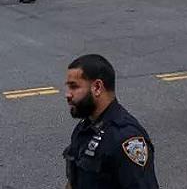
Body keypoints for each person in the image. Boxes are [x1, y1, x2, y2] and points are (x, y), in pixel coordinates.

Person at [63, 54, 159, 189]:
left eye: (74, 87)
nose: (68, 94)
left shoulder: (126, 138)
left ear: (97, 87)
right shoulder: (85, 127)